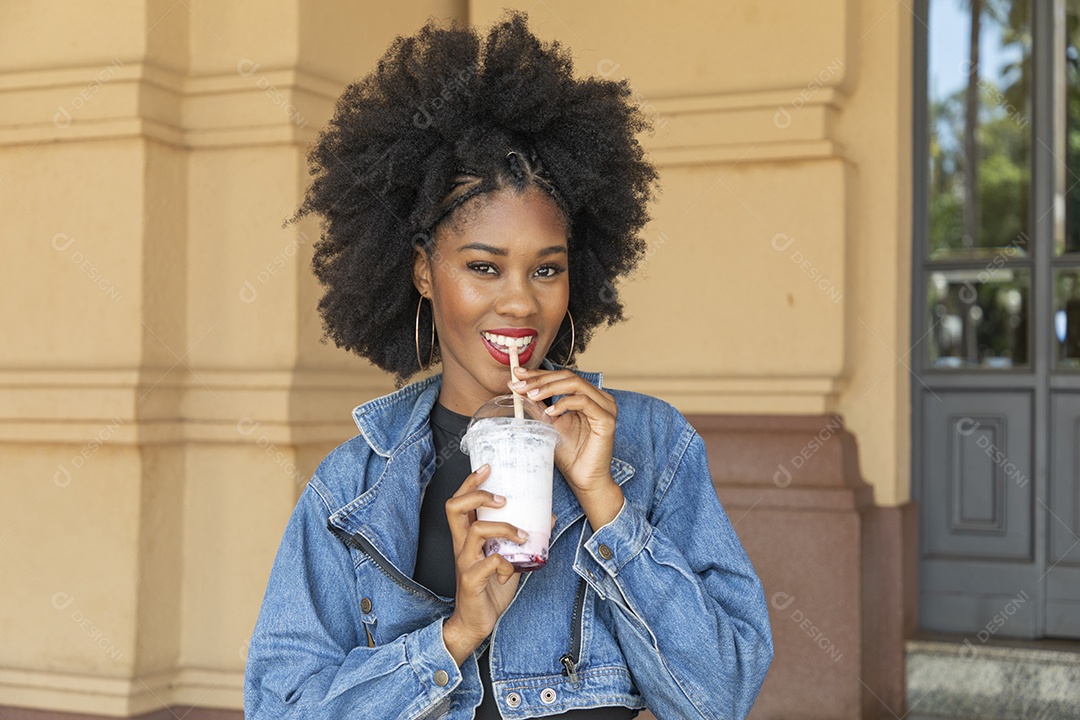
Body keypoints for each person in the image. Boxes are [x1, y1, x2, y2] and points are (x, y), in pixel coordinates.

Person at [244, 12, 773, 720]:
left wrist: (606, 505)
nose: (519, 303)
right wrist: (455, 636)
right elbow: (281, 708)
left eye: (546, 269)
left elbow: (722, 694)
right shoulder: (351, 489)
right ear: (423, 273)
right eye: (484, 267)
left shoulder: (650, 448)